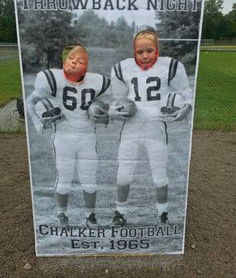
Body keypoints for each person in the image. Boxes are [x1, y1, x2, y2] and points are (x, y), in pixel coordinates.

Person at [108, 27, 192, 225]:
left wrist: (186, 109)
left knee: (159, 173)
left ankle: (163, 213)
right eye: (140, 52)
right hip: (131, 127)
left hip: (156, 127)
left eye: (149, 51)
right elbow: (117, 100)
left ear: (157, 51)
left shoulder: (170, 67)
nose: (145, 56)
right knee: (124, 172)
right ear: (133, 52)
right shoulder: (123, 69)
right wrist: (113, 111)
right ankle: (120, 212)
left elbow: (187, 93)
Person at [26, 44, 110, 228]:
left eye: (81, 61)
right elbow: (30, 101)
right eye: (72, 59)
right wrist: (38, 122)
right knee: (63, 179)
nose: (76, 64)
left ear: (87, 65)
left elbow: (110, 104)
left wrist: (105, 115)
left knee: (89, 180)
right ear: (63, 62)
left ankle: (90, 216)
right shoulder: (51, 80)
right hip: (63, 137)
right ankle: (61, 214)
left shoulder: (97, 82)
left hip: (87, 137)